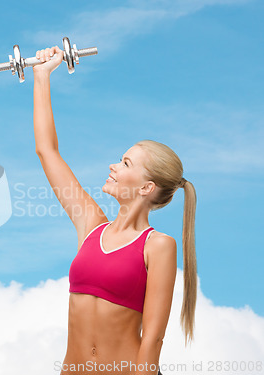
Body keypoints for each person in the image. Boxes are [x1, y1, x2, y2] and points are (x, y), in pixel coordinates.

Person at [32, 45, 197, 375]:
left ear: (146, 187)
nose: (113, 166)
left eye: (125, 163)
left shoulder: (158, 246)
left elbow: (152, 341)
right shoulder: (91, 225)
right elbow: (47, 151)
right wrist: (42, 76)